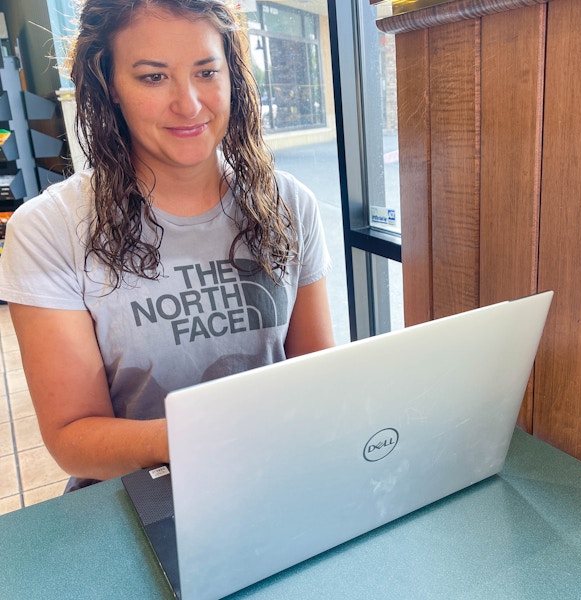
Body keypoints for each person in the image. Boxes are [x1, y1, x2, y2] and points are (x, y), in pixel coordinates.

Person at [0, 0, 335, 492]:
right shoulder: (49, 229)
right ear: (110, 86)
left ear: (232, 77)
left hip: (273, 478)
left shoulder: (289, 202)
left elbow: (317, 374)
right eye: (153, 77)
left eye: (206, 72)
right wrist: (204, 440)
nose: (190, 104)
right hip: (137, 497)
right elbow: (72, 436)